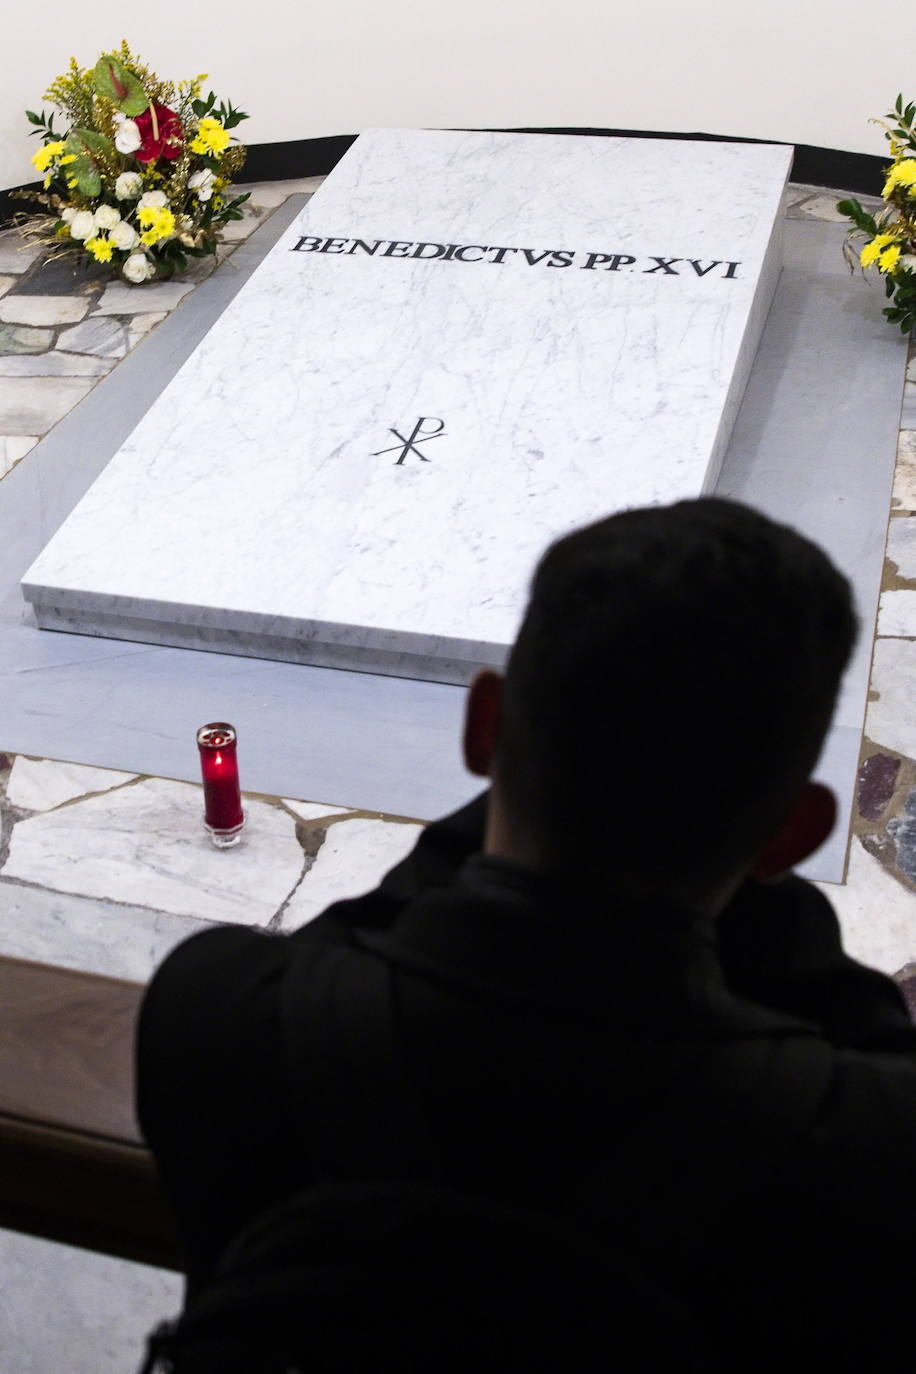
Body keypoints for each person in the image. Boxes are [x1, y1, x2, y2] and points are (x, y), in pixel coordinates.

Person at [136, 496, 916, 1369]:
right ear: (795, 834)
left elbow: (359, 937)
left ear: (483, 727)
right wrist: (750, 869)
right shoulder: (867, 1150)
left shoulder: (213, 1017)